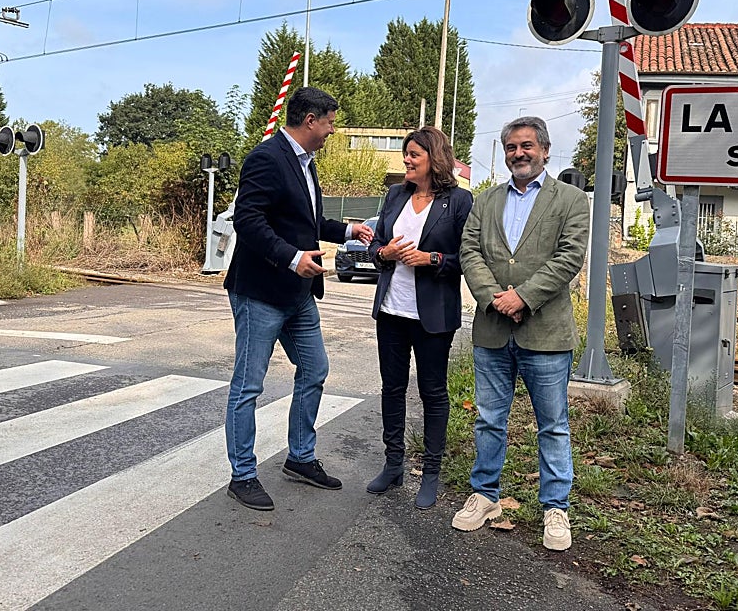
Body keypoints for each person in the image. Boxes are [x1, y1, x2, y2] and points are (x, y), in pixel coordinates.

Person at [223, 86, 374, 511]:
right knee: (248, 386)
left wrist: (347, 231)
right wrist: (291, 259)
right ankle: (243, 475)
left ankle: (300, 457)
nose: (331, 131)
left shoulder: (306, 164)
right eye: (329, 123)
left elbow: (303, 221)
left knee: (315, 369)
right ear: (310, 120)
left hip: (299, 295)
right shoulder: (266, 158)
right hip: (261, 293)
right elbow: (247, 221)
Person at [452, 116, 589, 551]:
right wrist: (493, 296)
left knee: (553, 426)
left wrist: (523, 297)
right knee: (489, 419)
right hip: (492, 328)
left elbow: (570, 257)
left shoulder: (570, 199)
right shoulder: (485, 200)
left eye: (527, 146)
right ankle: (485, 495)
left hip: (545, 333)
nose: (519, 154)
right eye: (511, 147)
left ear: (546, 150)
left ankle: (556, 507)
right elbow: (468, 249)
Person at [366, 126, 473, 509]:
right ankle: (393, 464)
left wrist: (434, 260)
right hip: (392, 310)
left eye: (414, 154)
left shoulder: (460, 201)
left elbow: (469, 259)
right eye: (405, 153)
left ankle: (431, 473)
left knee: (433, 393)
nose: (406, 160)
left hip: (433, 316)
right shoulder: (395, 195)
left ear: (435, 158)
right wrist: (385, 254)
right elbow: (377, 245)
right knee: (391, 389)